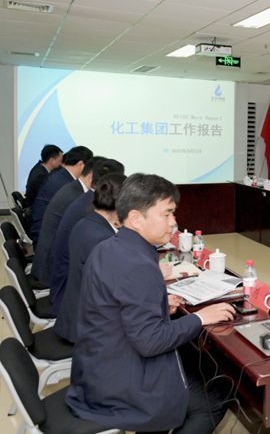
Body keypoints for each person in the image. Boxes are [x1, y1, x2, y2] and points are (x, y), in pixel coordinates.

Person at [66, 173, 235, 434]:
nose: (173, 221)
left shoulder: (107, 246)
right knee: (216, 396)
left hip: (96, 369)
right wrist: (201, 317)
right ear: (136, 218)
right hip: (120, 383)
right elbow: (151, 342)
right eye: (166, 214)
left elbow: (115, 305)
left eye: (173, 213)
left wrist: (157, 304)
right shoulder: (139, 265)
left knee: (194, 364)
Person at [53, 173, 126, 342]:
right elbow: (119, 289)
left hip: (71, 318)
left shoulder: (84, 223)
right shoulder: (103, 239)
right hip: (86, 330)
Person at [32, 156, 106, 287]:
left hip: (49, 258)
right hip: (52, 270)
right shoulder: (78, 197)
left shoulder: (73, 189)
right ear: (91, 177)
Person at [30, 145, 93, 242]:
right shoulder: (64, 184)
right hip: (47, 238)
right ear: (80, 164)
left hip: (46, 232)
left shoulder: (61, 176)